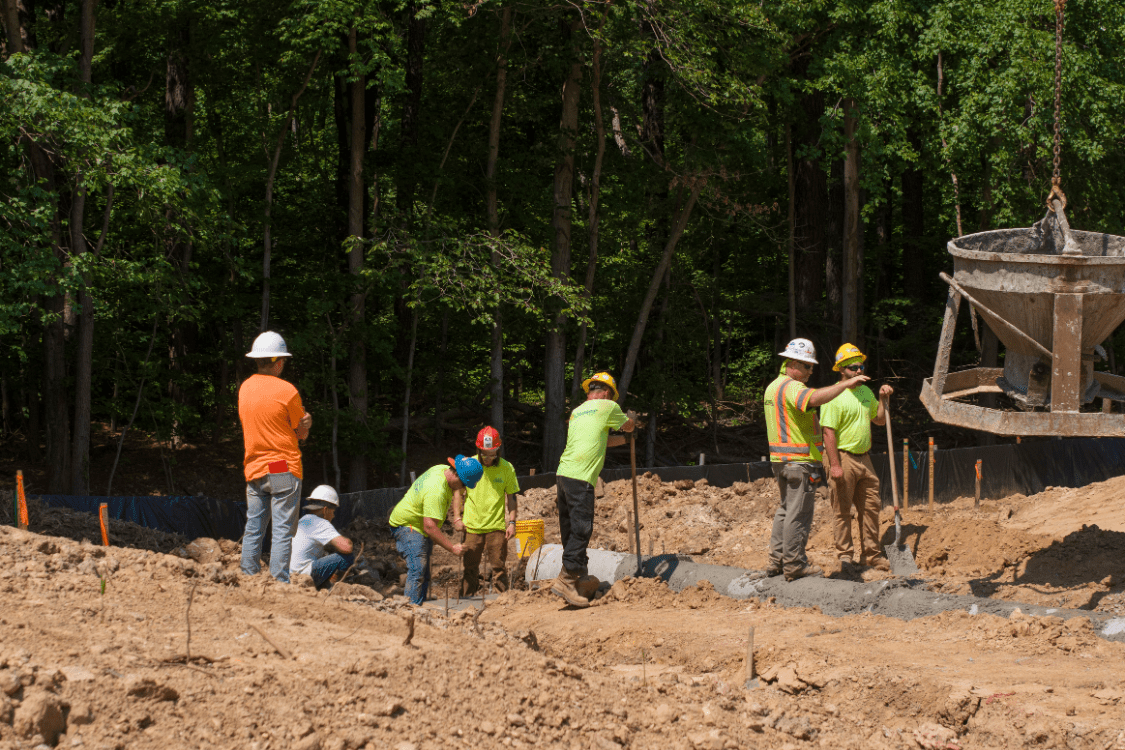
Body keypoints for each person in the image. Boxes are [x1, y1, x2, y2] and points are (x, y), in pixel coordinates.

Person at [764, 339, 868, 582]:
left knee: (785, 510)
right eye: (808, 367)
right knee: (798, 513)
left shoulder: (773, 387)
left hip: (781, 460)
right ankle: (794, 565)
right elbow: (814, 399)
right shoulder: (792, 387)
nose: (811, 372)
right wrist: (846, 384)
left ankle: (776, 561)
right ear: (793, 364)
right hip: (798, 461)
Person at [552, 372, 635, 608]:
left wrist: (621, 441)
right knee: (581, 529)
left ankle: (578, 578)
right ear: (608, 393)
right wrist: (632, 424)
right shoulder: (609, 406)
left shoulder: (578, 411)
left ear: (590, 392)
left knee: (569, 530)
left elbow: (598, 438)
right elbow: (627, 426)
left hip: (563, 473)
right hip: (581, 477)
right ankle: (566, 579)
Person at [239, 331, 312, 583]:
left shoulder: (245, 389)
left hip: (254, 467)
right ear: (279, 362)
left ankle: (248, 577)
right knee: (281, 528)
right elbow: (301, 433)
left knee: (254, 526)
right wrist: (307, 424)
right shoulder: (287, 391)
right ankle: (279, 582)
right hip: (281, 466)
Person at [821, 344, 894, 573]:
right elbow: (828, 432)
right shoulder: (834, 395)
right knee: (843, 509)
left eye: (861, 365)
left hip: (864, 458)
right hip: (842, 456)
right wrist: (834, 464)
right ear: (842, 370)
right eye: (854, 367)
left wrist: (883, 399)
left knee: (871, 507)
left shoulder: (865, 392)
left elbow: (880, 420)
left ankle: (871, 555)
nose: (859, 370)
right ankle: (845, 556)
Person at [388, 455, 482, 605]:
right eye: (464, 485)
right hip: (409, 525)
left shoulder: (442, 470)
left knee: (424, 572)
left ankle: (419, 605)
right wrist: (452, 548)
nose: (463, 489)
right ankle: (410, 610)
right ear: (457, 475)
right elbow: (430, 526)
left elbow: (430, 525)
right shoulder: (436, 490)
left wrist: (457, 517)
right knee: (418, 569)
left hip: (418, 524)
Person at [453, 426, 519, 596]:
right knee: (470, 569)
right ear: (478, 449)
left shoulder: (507, 468)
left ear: (498, 449)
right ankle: (466, 601)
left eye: (492, 454)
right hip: (472, 527)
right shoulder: (469, 465)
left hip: (496, 527)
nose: (488, 458)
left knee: (498, 568)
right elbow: (457, 493)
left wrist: (512, 522)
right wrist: (457, 517)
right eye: (484, 454)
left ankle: (501, 602)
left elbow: (511, 497)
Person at [290, 485, 355, 590]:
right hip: (305, 574)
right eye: (333, 512)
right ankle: (330, 589)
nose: (333, 516)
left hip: (292, 575)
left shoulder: (304, 520)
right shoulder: (321, 523)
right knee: (347, 558)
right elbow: (346, 547)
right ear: (325, 510)